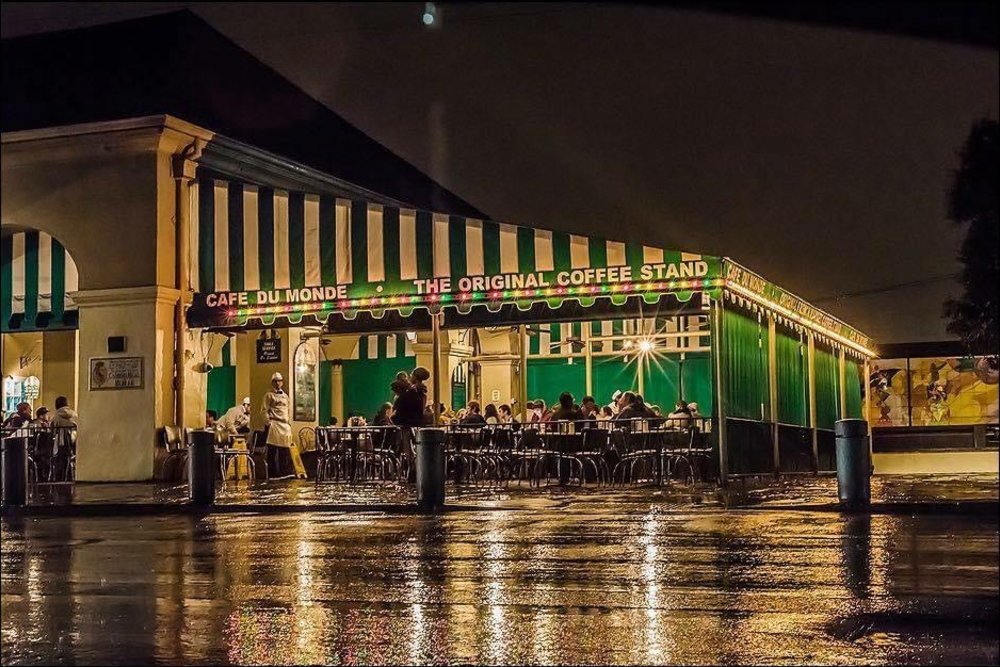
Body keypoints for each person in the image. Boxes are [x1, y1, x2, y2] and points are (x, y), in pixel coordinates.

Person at [262, 372, 306, 479]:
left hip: (285, 425)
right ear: (272, 383)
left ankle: (284, 471)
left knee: (285, 450)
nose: (278, 383)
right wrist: (268, 422)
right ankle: (272, 473)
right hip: (275, 423)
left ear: (282, 382)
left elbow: (289, 410)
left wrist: (289, 423)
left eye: (280, 381)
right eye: (276, 381)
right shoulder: (269, 395)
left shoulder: (286, 396)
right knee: (273, 449)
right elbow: (264, 410)